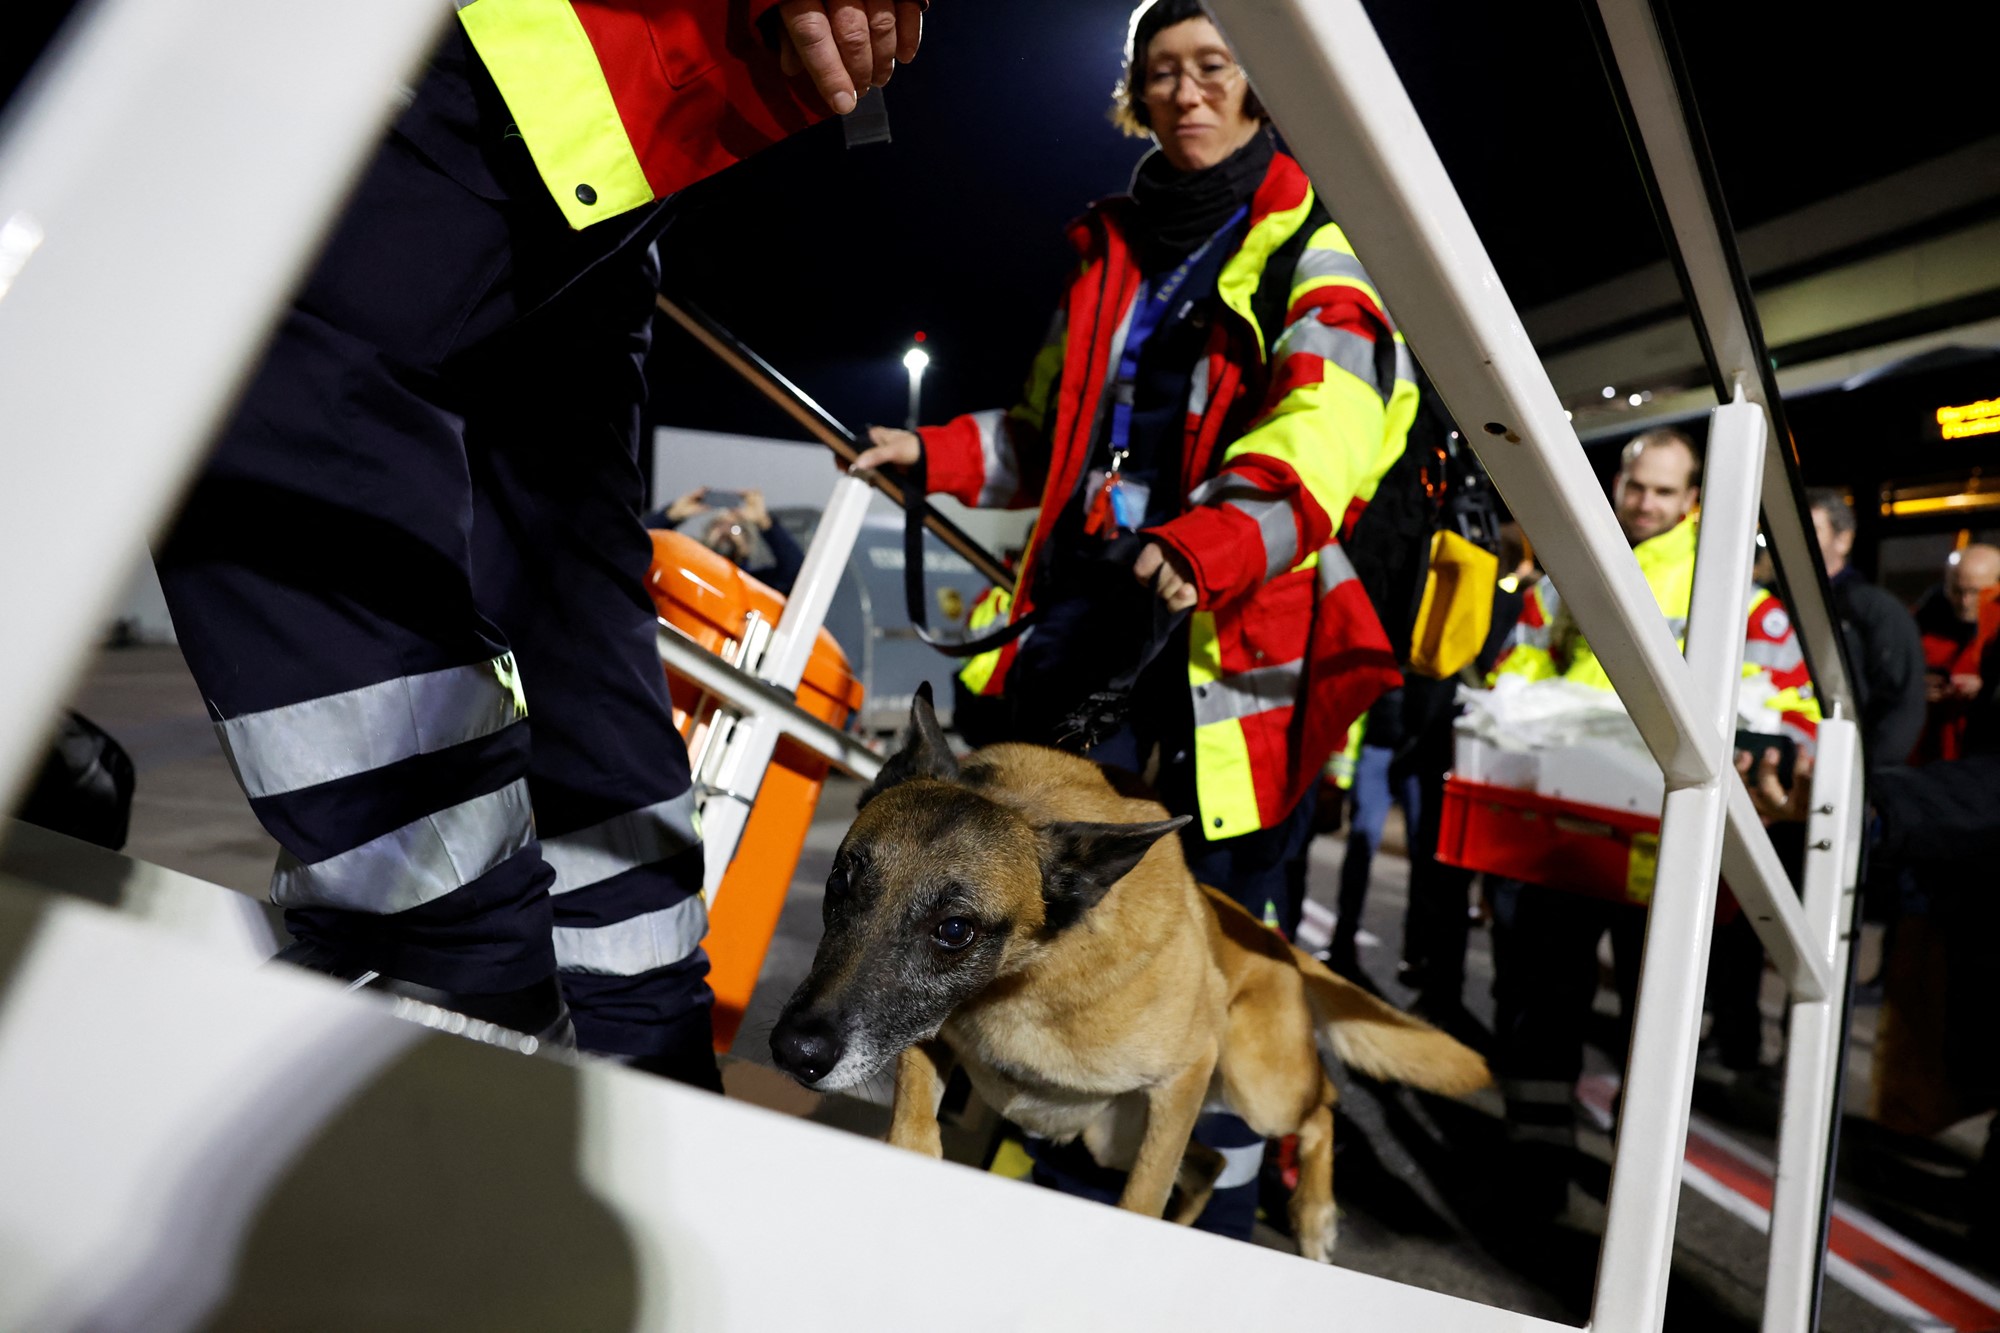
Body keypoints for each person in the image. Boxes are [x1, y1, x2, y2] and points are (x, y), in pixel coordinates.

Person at [155, 1, 933, 1088]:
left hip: (545, 47)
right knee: (559, 577)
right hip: (605, 94)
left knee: (264, 381)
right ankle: (641, 1036)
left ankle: (449, 977)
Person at [852, 0, 1418, 1241]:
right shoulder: (1108, 249)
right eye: (1161, 72)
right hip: (1085, 634)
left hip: (1231, 665)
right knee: (1026, 928)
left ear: (1261, 85)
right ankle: (1014, 1185)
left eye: (1214, 66)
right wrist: (930, 453)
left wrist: (1212, 536)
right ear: (1136, 95)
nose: (1187, 91)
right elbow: (1045, 437)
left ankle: (1195, 1232)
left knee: (1215, 963)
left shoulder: (1320, 237)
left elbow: (1330, 421)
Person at [1484, 428, 1817, 1216]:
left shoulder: (1738, 595)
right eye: (1637, 487)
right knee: (1543, 1006)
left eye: (1665, 492)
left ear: (1693, 498)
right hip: (1567, 833)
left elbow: (1793, 715)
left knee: (1656, 1018)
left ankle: (1639, 1179)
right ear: (1619, 483)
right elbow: (1513, 675)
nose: (1646, 504)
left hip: (1668, 846)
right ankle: (1536, 1162)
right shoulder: (1565, 574)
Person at [1806, 489, 1926, 767]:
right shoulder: (1771, 602)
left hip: (1844, 766)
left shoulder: (1873, 609)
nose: (1798, 539)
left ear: (1843, 539)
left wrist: (1869, 774)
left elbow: (1902, 703)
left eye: (1813, 529)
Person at [1912, 542, 2000, 762]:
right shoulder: (1922, 626)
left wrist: (1988, 691)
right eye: (1957, 591)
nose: (1965, 601)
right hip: (1930, 755)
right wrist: (1916, 688)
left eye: (1975, 592)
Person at [648, 487, 807, 595]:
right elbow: (632, 550)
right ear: (704, 537)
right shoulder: (682, 572)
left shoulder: (756, 586)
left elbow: (797, 573)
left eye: (736, 528)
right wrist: (670, 516)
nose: (726, 531)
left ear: (748, 546)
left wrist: (764, 522)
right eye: (718, 525)